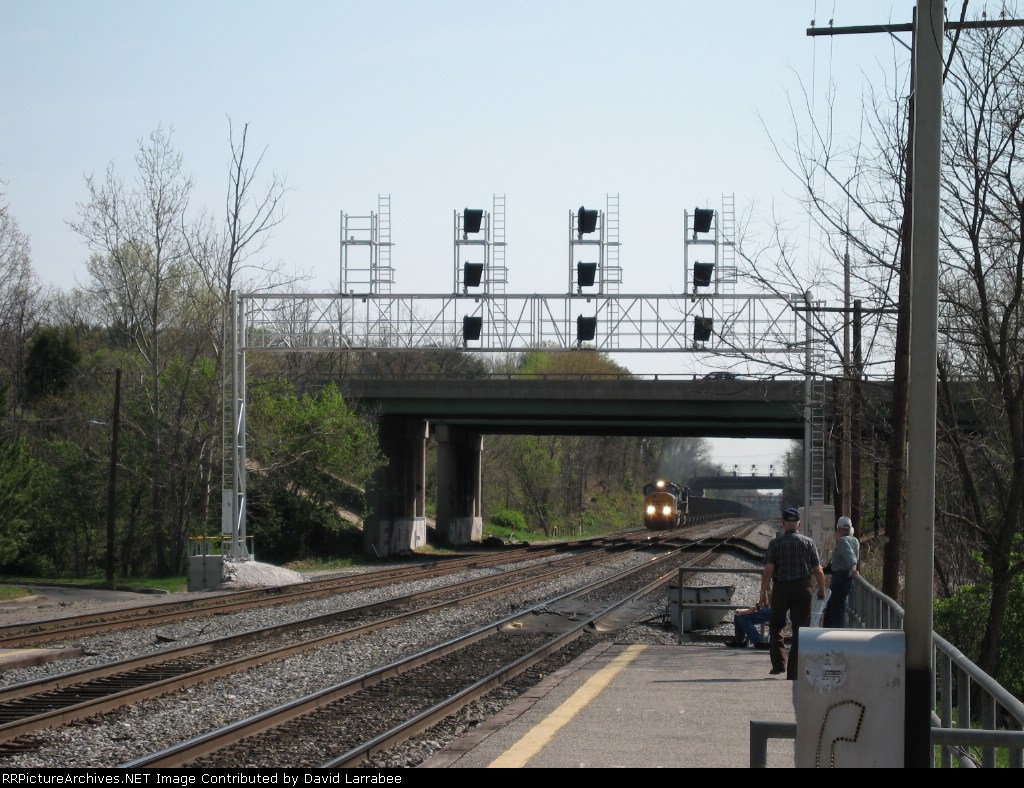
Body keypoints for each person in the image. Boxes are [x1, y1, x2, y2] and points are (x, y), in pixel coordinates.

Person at [759, 507, 827, 680]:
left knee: (776, 626)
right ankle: (794, 671)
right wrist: (821, 589)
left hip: (781, 588)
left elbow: (769, 570)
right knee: (800, 630)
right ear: (799, 524)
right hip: (802, 588)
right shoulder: (808, 542)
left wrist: (762, 593)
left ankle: (779, 663)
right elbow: (818, 570)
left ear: (783, 524)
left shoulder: (775, 544)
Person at [823, 516, 860, 627]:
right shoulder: (855, 540)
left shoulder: (843, 541)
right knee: (834, 608)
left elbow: (851, 557)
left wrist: (854, 568)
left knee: (836, 610)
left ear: (838, 529)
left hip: (840, 579)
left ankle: (835, 636)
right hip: (845, 580)